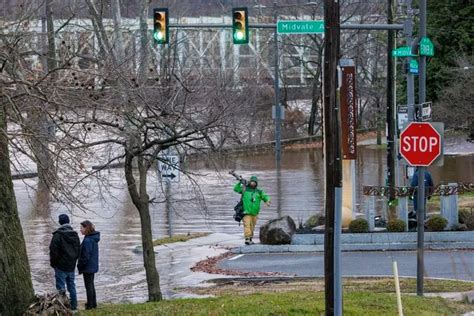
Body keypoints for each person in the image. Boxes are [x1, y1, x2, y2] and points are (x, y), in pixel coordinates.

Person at [49, 214, 80, 311]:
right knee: (72, 287)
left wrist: (54, 264)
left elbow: (53, 251)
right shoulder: (75, 235)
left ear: (59, 222)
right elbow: (78, 250)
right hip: (71, 266)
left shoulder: (57, 235)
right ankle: (74, 307)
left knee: (61, 288)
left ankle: (62, 308)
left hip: (60, 266)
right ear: (68, 221)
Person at [233, 175, 270, 245]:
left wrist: (267, 201)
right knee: (247, 225)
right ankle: (247, 238)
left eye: (254, 182)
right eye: (252, 182)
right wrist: (240, 182)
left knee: (252, 226)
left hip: (255, 213)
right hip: (246, 212)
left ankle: (250, 238)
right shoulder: (244, 189)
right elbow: (235, 189)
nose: (253, 183)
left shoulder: (259, 192)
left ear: (256, 183)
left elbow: (265, 196)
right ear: (250, 182)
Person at [77, 220, 100, 310]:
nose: (80, 230)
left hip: (88, 266)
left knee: (88, 286)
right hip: (92, 265)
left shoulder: (88, 240)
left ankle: (90, 305)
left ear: (86, 228)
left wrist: (80, 266)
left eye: (81, 228)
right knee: (91, 285)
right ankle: (93, 303)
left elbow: (85, 256)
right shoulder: (92, 238)